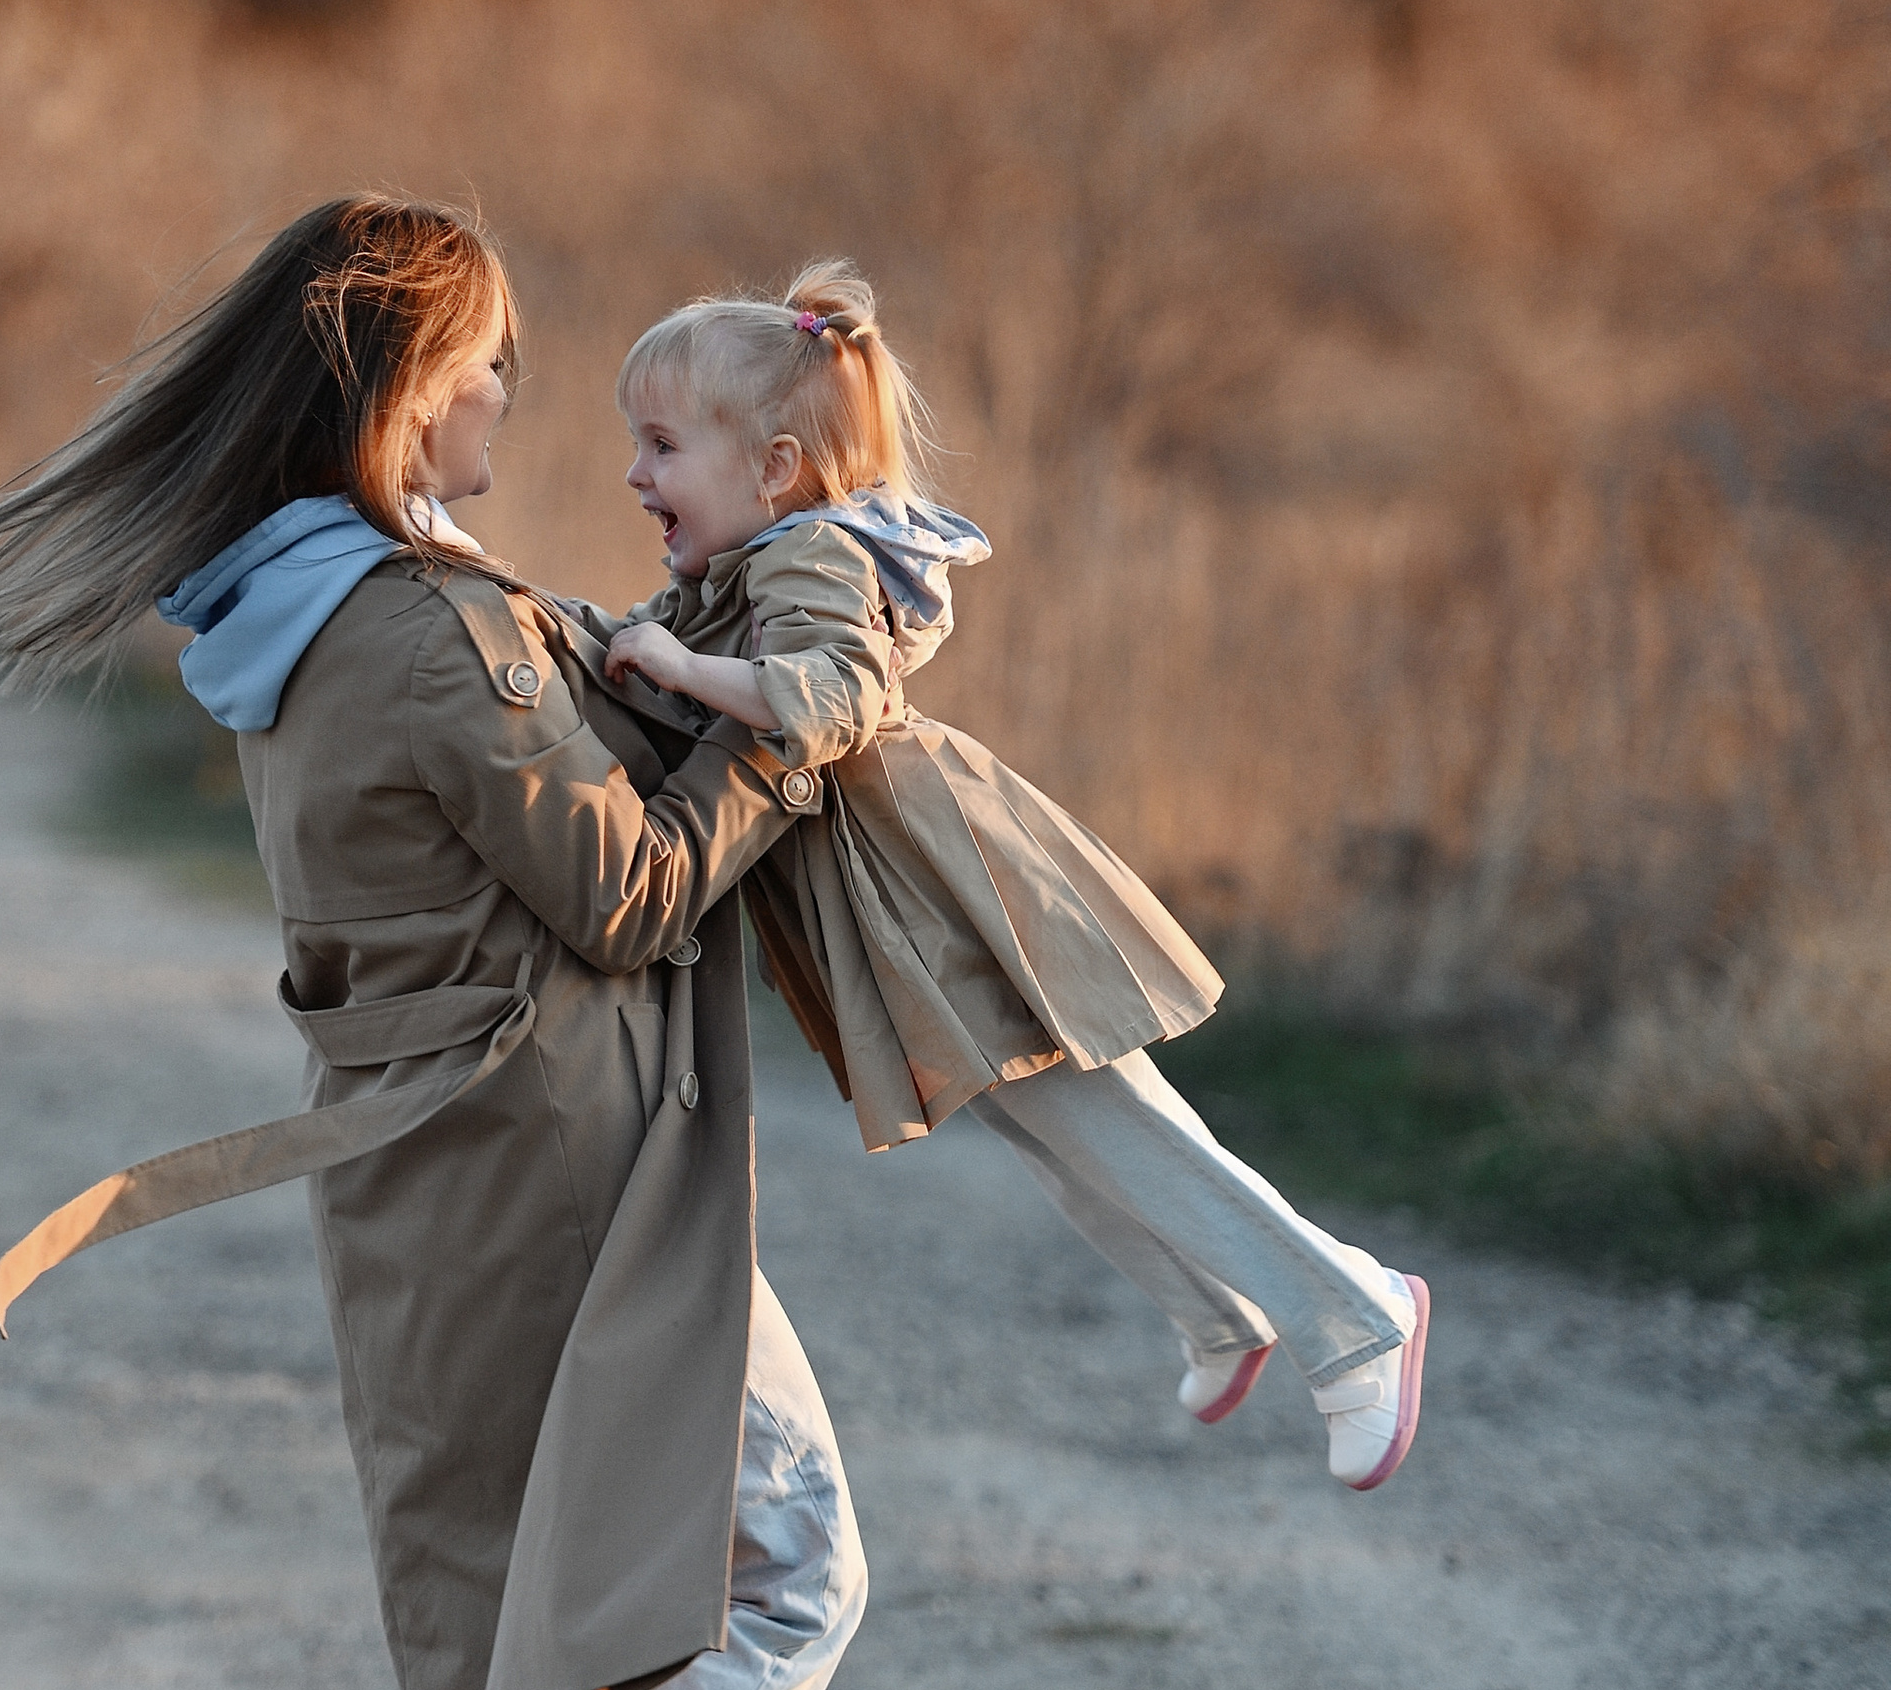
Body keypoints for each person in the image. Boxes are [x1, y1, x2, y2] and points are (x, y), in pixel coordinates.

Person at [0, 196, 866, 1690]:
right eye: (486, 360)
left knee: (615, 1587)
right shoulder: (419, 629)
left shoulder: (305, 611)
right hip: (558, 1162)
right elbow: (635, 890)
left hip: (454, 1170)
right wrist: (790, 728)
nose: (513, 392)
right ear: (400, 389)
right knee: (785, 1567)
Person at [589, 258, 1430, 1492]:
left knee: (1115, 1124)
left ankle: (1354, 1317)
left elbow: (829, 704)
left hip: (951, 889)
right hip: (910, 907)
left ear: (771, 468)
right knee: (1053, 1138)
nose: (635, 474)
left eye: (661, 445)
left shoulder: (807, 557)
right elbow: (659, 648)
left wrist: (674, 667)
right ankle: (1217, 1314)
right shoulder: (744, 566)